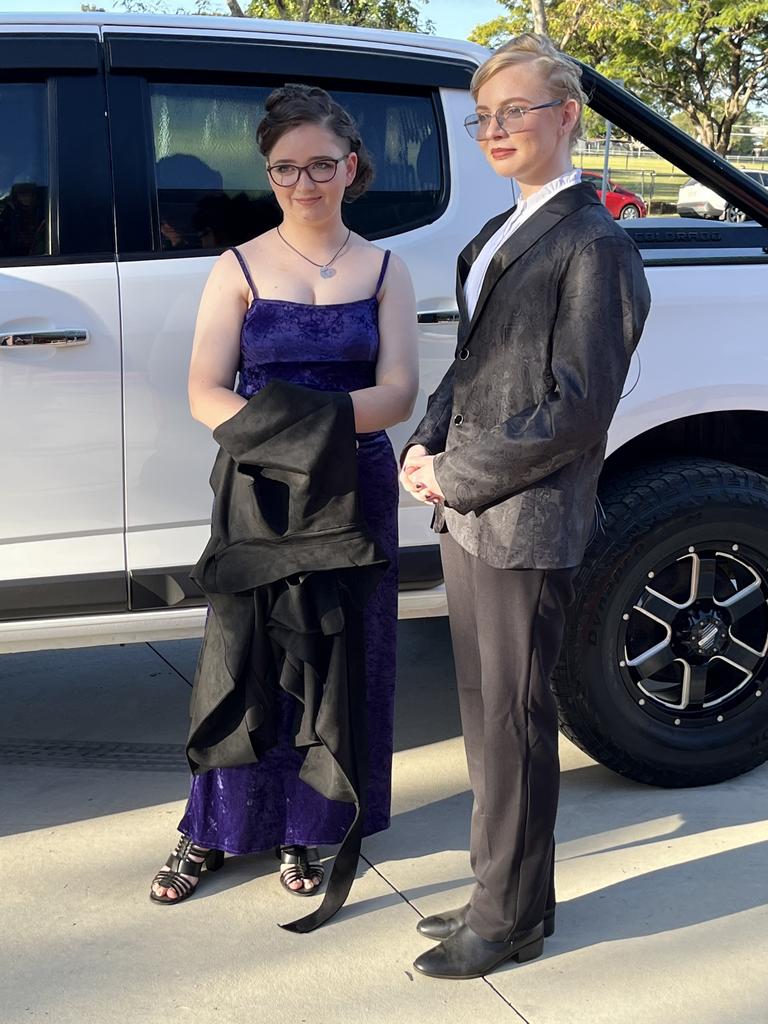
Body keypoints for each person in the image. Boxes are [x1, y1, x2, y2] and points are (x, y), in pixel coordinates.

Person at [401, 34, 651, 980]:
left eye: (516, 110)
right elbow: (469, 368)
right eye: (485, 116)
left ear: (568, 117)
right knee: (487, 712)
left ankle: (503, 919)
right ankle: (514, 895)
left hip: (522, 515)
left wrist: (457, 474)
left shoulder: (596, 242)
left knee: (509, 717)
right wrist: (425, 443)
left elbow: (579, 408)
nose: (497, 129)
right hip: (471, 508)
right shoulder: (496, 234)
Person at [150, 83, 418, 904]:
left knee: (341, 655)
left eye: (321, 165)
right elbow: (203, 390)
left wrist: (310, 432)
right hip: (260, 490)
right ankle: (215, 828)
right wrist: (296, 442)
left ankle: (311, 826)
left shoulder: (385, 268)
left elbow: (399, 392)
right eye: (284, 169)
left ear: (352, 167)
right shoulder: (235, 267)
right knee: (246, 653)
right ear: (268, 174)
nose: (304, 184)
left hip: (353, 491)